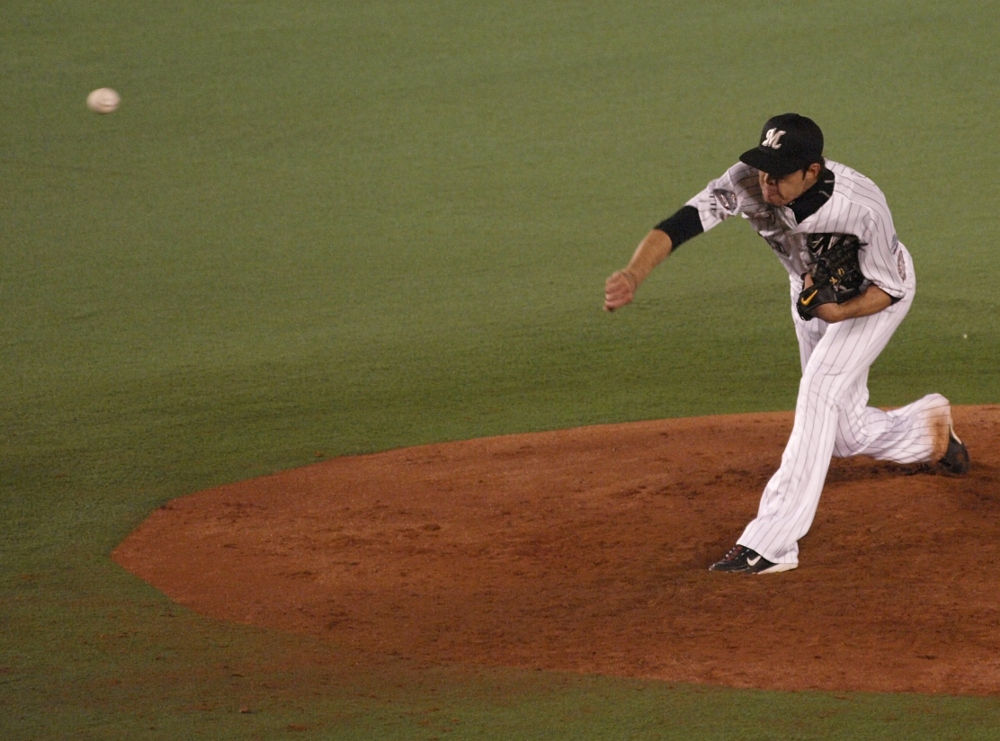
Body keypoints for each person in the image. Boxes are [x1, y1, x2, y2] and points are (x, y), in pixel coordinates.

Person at [603, 113, 970, 574]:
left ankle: (772, 542)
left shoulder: (863, 207)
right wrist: (635, 273)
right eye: (762, 168)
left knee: (819, 390)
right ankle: (925, 430)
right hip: (810, 292)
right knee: (842, 433)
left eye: (778, 175)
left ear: (811, 172)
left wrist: (839, 312)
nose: (765, 182)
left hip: (872, 297)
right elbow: (682, 222)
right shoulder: (748, 182)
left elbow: (888, 287)